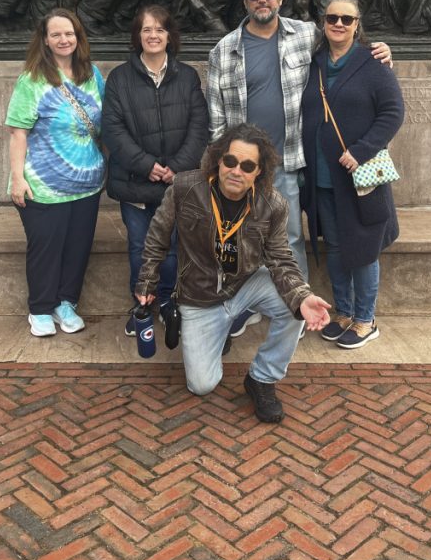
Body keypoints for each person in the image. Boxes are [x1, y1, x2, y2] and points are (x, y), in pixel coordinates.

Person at [206, 0, 392, 336]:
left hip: (287, 162)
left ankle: (295, 306)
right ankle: (250, 305)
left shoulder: (305, 35)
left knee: (289, 239)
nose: (262, 0)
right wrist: (222, 168)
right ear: (245, 2)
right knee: (241, 238)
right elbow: (216, 119)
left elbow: (345, 46)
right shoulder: (223, 50)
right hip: (241, 169)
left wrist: (380, 51)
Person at [135, 123, 331, 423]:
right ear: (218, 160)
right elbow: (157, 237)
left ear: (259, 172)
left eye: (247, 166)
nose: (236, 171)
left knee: (297, 304)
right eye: (230, 161)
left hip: (244, 284)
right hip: (199, 296)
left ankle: (262, 378)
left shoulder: (273, 205)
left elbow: (281, 258)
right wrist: (147, 281)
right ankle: (217, 332)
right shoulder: (185, 188)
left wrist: (303, 297)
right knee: (201, 385)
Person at [301, 0, 404, 348]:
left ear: (358, 24)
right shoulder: (314, 64)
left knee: (362, 250)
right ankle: (343, 312)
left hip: (359, 180)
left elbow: (393, 113)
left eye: (347, 19)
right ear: (323, 22)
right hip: (322, 179)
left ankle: (365, 320)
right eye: (332, 18)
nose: (339, 24)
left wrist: (360, 151)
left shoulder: (373, 63)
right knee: (335, 247)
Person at [102, 5, 209, 334]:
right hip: (135, 182)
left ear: (169, 36)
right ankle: (142, 304)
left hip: (175, 185)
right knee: (140, 246)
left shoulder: (187, 76)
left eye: (159, 29)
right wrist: (147, 165)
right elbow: (112, 130)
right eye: (146, 29)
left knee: (173, 248)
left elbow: (199, 126)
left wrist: (176, 168)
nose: (153, 35)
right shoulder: (119, 78)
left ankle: (166, 300)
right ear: (137, 36)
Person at [5, 8, 105, 337]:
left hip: (87, 184)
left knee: (77, 247)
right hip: (43, 185)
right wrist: (17, 179)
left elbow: (106, 123)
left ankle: (66, 303)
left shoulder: (92, 75)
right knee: (45, 248)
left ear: (78, 37)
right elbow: (18, 133)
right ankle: (40, 308)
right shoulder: (32, 80)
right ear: (45, 41)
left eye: (69, 33)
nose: (64, 39)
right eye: (56, 34)